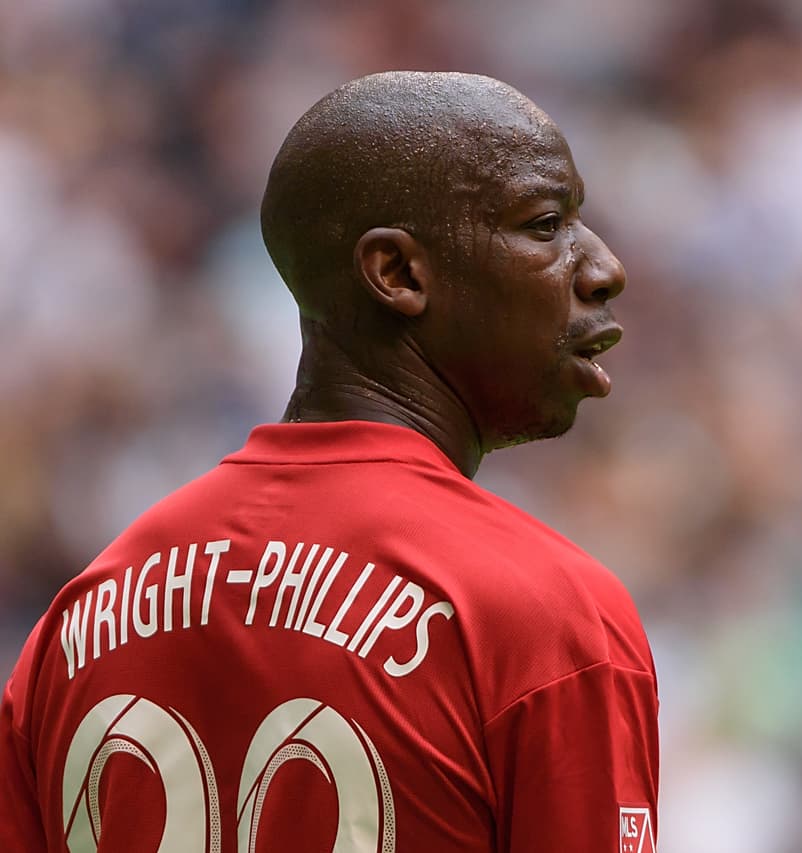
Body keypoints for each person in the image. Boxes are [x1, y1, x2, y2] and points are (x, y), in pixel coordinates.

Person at [0, 71, 658, 852]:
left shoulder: (82, 619)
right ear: (399, 274)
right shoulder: (544, 616)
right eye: (546, 223)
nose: (603, 267)